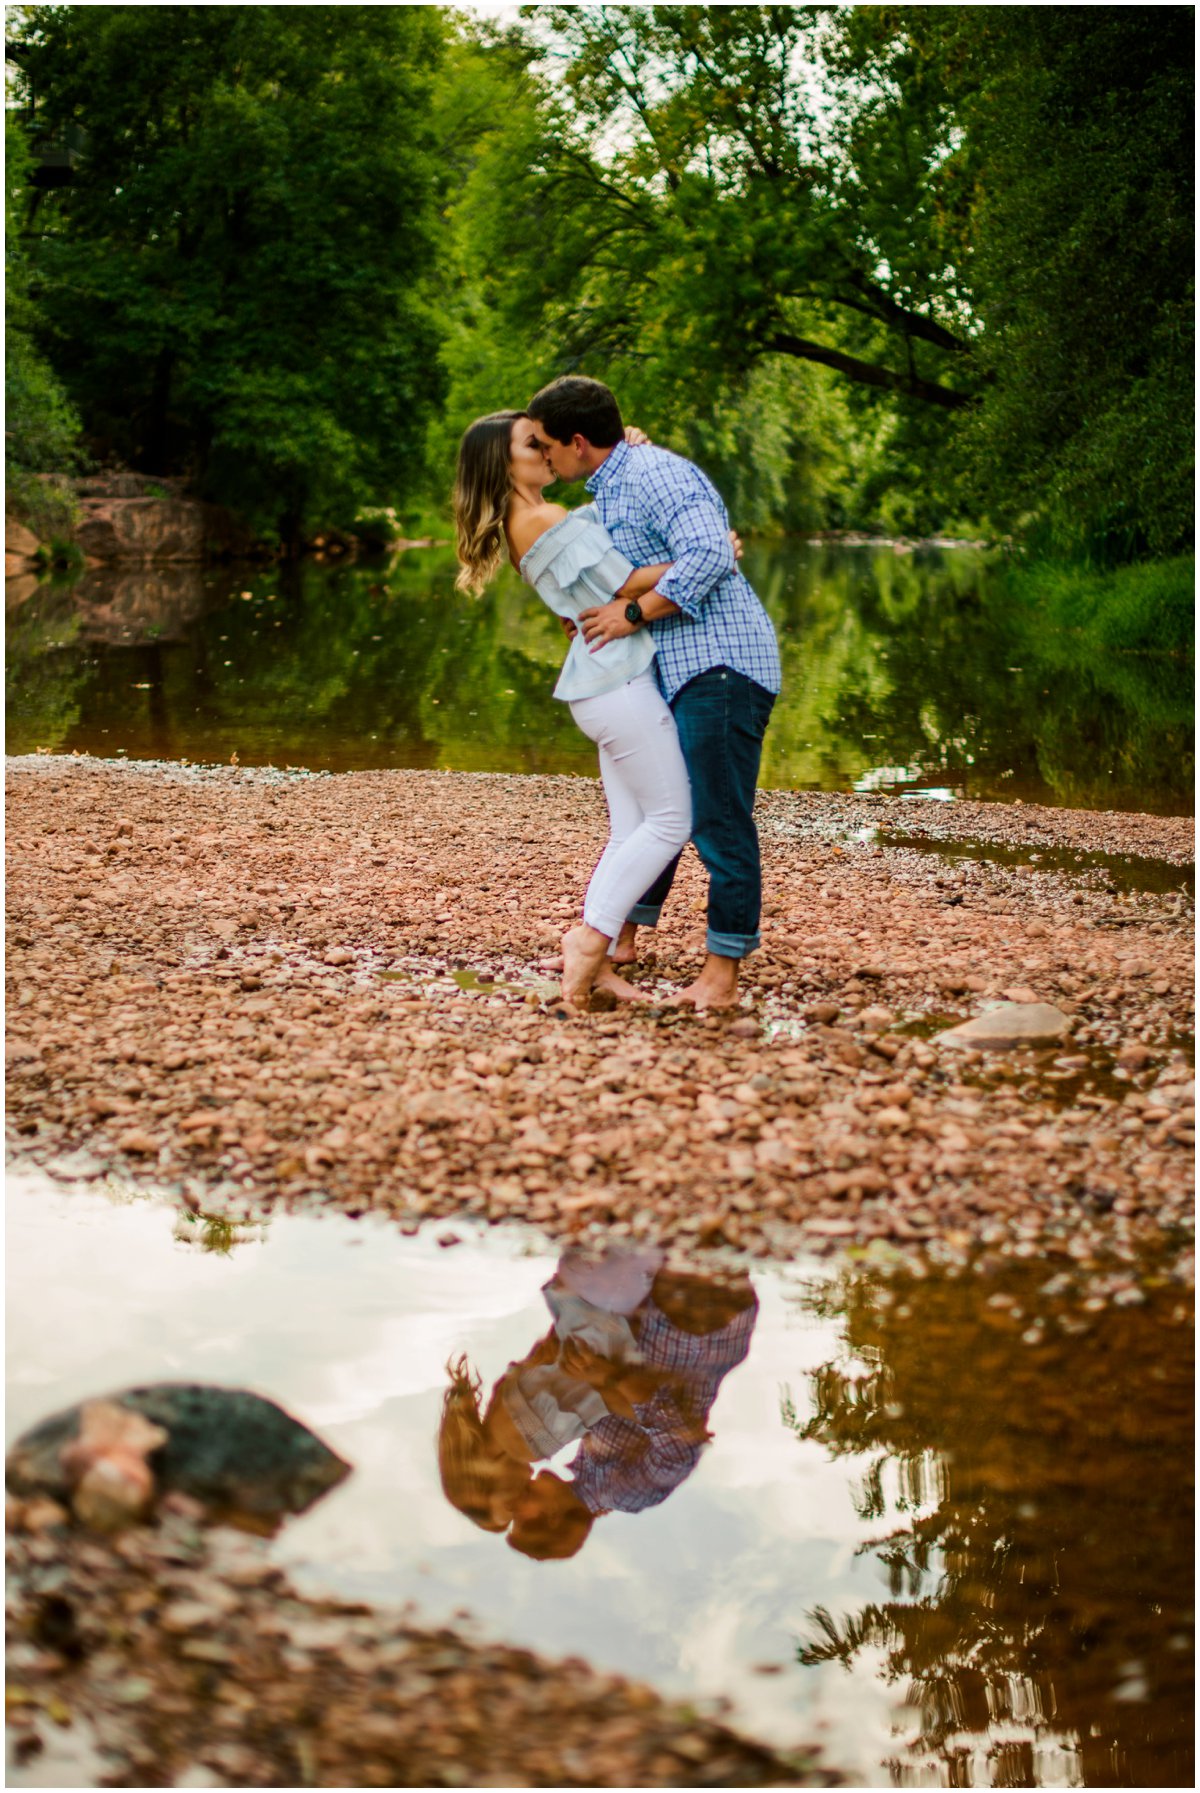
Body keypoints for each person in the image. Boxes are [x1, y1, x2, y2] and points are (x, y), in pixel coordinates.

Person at [526, 376, 782, 1010]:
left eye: (548, 445)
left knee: (716, 818)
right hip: (672, 668)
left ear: (578, 442)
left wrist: (631, 615)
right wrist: (599, 606)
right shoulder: (611, 486)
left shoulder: (655, 476)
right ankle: (620, 940)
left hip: (721, 664)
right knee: (658, 806)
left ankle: (721, 976)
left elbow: (709, 556)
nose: (544, 456)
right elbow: (618, 571)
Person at [453, 411, 693, 1010]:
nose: (546, 449)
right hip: (618, 684)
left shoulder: (534, 519)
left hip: (602, 685)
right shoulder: (541, 517)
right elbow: (628, 581)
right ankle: (587, 942)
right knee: (672, 819)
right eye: (531, 444)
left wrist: (627, 453)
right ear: (501, 462)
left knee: (631, 831)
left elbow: (603, 537)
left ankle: (601, 956)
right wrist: (709, 554)